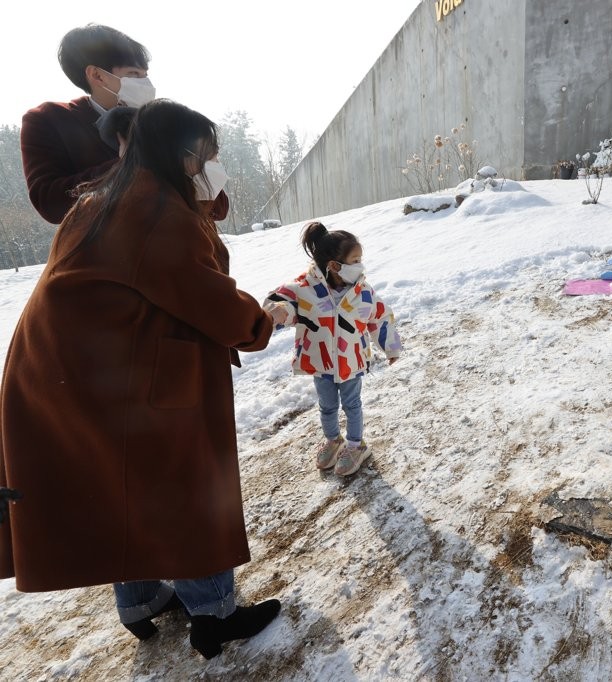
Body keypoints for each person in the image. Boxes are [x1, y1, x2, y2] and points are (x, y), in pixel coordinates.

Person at [0, 99, 289, 660]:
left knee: (124, 484)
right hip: (109, 375)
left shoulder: (111, 197)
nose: (216, 166)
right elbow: (211, 301)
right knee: (184, 483)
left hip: (78, 375)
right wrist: (265, 320)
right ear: (184, 157)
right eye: (210, 156)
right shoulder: (154, 214)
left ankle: (142, 602)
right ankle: (213, 614)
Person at [20, 24, 227, 224]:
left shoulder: (164, 121)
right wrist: (128, 164)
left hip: (183, 250)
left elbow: (218, 209)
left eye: (145, 75)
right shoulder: (48, 120)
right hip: (109, 256)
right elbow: (50, 203)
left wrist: (201, 166)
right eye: (133, 74)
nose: (146, 84)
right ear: (97, 75)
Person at [264, 223, 402, 476]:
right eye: (356, 260)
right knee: (326, 406)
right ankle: (333, 440)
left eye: (361, 259)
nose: (361, 265)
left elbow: (380, 317)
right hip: (320, 361)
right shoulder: (305, 289)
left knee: (352, 404)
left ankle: (356, 445)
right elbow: (282, 299)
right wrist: (280, 311)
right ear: (334, 265)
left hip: (351, 362)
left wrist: (391, 348)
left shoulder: (362, 292)